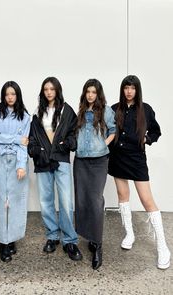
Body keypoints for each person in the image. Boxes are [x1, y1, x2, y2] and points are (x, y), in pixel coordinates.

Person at [108, 75, 171, 269]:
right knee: (122, 195)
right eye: (126, 87)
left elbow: (156, 131)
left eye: (132, 88)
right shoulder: (114, 108)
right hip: (117, 157)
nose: (129, 91)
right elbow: (107, 129)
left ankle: (163, 246)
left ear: (137, 90)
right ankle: (130, 233)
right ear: (122, 89)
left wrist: (147, 139)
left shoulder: (146, 109)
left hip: (136, 159)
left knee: (147, 200)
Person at [28, 77, 82, 261]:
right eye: (46, 89)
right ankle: (52, 236)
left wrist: (66, 144)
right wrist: (35, 150)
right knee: (46, 201)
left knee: (66, 201)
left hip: (61, 159)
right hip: (42, 161)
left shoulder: (67, 111)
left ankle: (70, 240)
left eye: (52, 89)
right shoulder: (37, 112)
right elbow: (32, 137)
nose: (49, 92)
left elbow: (74, 133)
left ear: (58, 90)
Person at [0, 81, 30, 262]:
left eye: (13, 94)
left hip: (17, 162)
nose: (10, 97)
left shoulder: (25, 116)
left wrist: (21, 164)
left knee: (17, 201)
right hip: (1, 160)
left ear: (18, 95)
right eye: (7, 94)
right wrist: (16, 139)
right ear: (3, 96)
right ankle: (2, 242)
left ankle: (11, 238)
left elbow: (25, 143)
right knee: (4, 200)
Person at [74, 79, 116, 270]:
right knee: (82, 200)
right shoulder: (81, 110)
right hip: (81, 160)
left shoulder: (106, 111)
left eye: (94, 92)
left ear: (99, 94)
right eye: (88, 92)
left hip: (99, 161)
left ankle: (98, 246)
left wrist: (102, 145)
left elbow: (114, 130)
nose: (91, 95)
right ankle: (90, 236)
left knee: (96, 200)